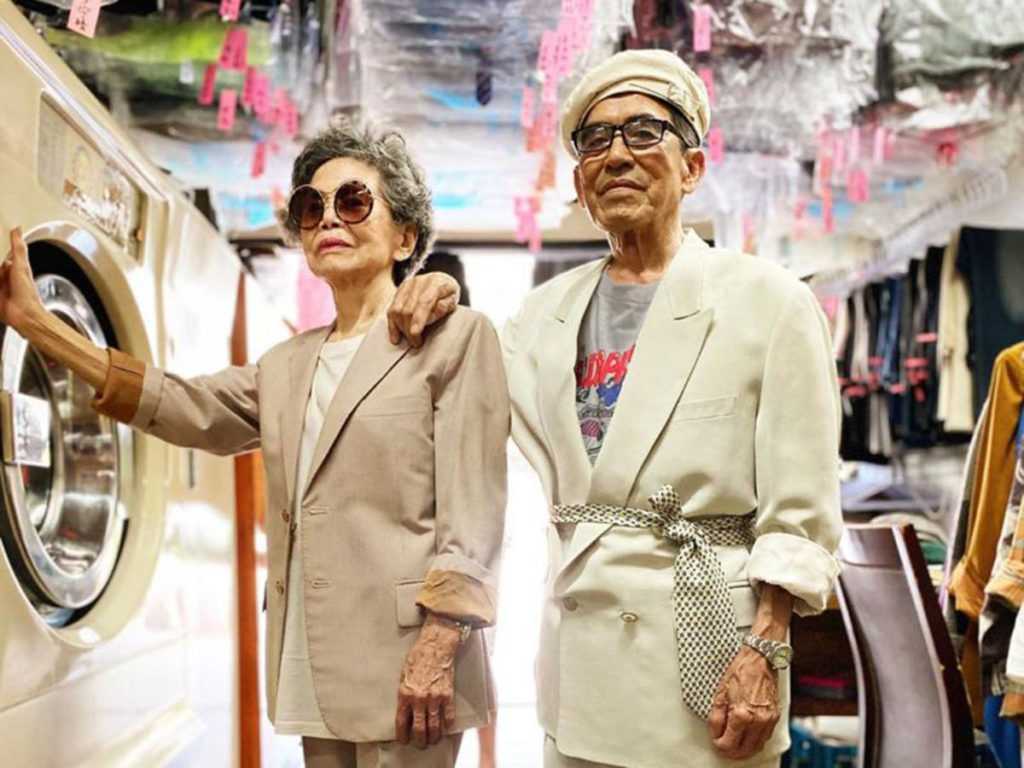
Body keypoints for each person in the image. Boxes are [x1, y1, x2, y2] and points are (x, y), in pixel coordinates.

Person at [0, 120, 509, 768]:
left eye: (354, 201)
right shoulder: (286, 364)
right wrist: (41, 328)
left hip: (409, 661)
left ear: (404, 235)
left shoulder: (454, 338)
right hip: (312, 657)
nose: (329, 218)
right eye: (311, 207)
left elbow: (475, 513)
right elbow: (182, 404)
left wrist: (442, 641)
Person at [387, 49, 843, 768]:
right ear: (580, 183)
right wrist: (443, 303)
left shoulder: (769, 302)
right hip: (579, 668)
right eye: (595, 140)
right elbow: (459, 409)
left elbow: (801, 510)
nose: (617, 154)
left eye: (644, 132)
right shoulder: (540, 315)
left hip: (712, 663)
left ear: (692, 167)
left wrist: (766, 648)